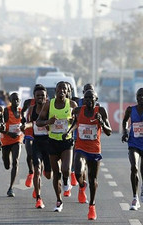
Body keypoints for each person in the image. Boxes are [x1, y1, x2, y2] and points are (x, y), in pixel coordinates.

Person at [63, 89, 112, 220]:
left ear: (96, 100)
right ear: (84, 99)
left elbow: (109, 131)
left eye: (91, 98)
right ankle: (81, 185)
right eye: (86, 98)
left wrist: (102, 123)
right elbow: (75, 124)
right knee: (78, 172)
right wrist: (68, 132)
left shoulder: (100, 111)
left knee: (93, 179)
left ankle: (92, 206)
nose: (89, 100)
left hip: (94, 149)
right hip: (80, 147)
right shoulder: (78, 110)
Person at [36, 81, 77, 212]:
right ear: (55, 90)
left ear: (67, 91)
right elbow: (38, 122)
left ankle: (66, 181)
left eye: (64, 89)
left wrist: (70, 129)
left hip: (66, 141)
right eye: (59, 89)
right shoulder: (49, 104)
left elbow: (77, 123)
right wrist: (48, 121)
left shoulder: (72, 104)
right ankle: (59, 201)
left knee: (65, 169)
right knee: (56, 173)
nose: (61, 91)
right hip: (52, 141)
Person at [21, 85, 52, 208]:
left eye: (42, 96)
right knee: (37, 170)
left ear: (46, 97)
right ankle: (38, 198)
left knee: (49, 175)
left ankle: (45, 172)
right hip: (37, 143)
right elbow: (31, 123)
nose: (40, 98)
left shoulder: (50, 109)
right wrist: (25, 126)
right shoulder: (32, 109)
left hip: (49, 143)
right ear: (34, 97)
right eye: (38, 95)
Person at [21, 84, 45, 188]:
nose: (39, 96)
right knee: (30, 153)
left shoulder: (47, 104)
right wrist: (23, 120)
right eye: (37, 94)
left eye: (41, 94)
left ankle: (37, 176)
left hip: (42, 133)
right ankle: (31, 172)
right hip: (30, 130)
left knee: (40, 159)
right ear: (34, 95)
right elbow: (22, 112)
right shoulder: (28, 102)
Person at [0, 92, 24, 197]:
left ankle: (11, 188)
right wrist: (9, 133)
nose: (16, 102)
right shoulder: (6, 111)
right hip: (6, 140)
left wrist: (23, 128)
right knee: (7, 164)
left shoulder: (21, 111)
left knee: (15, 161)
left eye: (18, 100)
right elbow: (0, 127)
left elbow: (25, 123)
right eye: (14, 100)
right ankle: (6, 161)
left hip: (17, 140)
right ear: (10, 100)